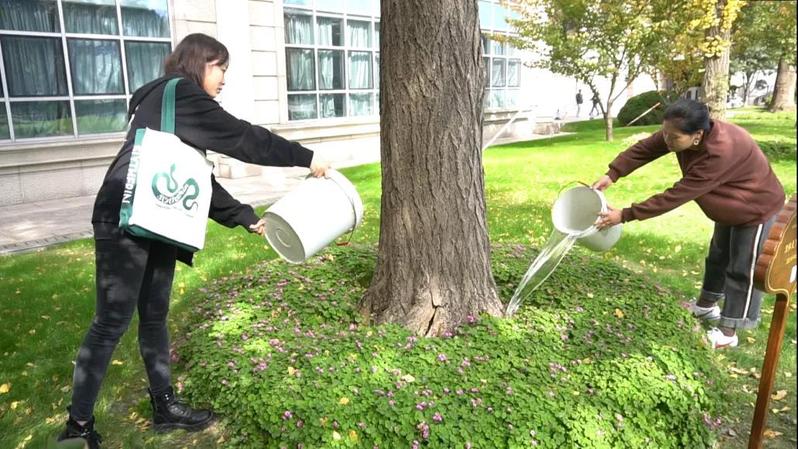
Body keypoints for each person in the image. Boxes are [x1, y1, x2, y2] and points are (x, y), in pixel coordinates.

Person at [57, 33, 329, 448]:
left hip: (156, 214)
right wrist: (305, 157)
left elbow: (192, 177)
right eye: (221, 68)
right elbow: (242, 138)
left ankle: (164, 407)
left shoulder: (170, 104)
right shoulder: (181, 93)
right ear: (199, 62)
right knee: (111, 321)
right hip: (126, 216)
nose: (224, 79)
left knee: (153, 316)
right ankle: (77, 428)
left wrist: (244, 217)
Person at [592, 99, 785, 350]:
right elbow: (646, 148)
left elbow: (677, 195)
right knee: (718, 257)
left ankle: (729, 331)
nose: (667, 140)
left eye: (673, 138)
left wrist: (626, 214)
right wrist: (613, 173)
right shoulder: (678, 131)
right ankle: (705, 307)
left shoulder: (720, 151)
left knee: (742, 268)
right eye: (665, 133)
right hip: (728, 203)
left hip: (756, 206)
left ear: (698, 135)